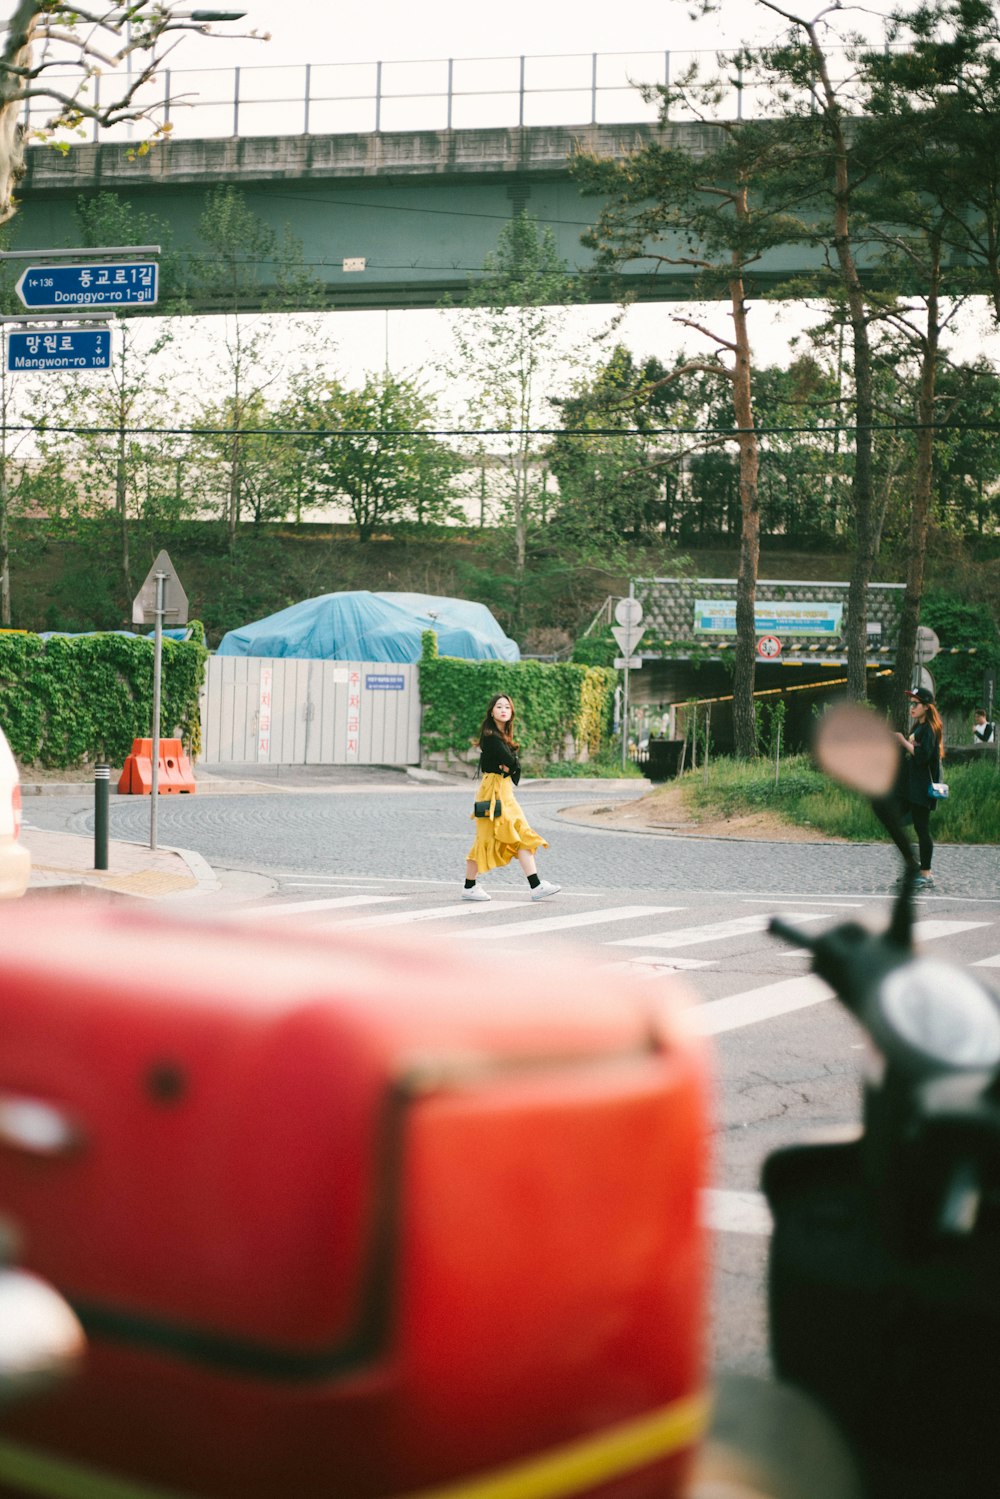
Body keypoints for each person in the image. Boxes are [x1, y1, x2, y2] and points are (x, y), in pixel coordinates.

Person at [462, 693, 560, 903]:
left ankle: (536, 885)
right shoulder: (491, 737)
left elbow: (511, 764)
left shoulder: (502, 737)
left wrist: (509, 764)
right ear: (491, 711)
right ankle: (470, 887)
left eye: (507, 706)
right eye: (499, 706)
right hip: (492, 792)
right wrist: (510, 763)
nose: (504, 710)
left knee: (522, 834)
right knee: (486, 838)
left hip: (504, 792)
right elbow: (510, 761)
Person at [894, 686, 945, 892]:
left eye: (915, 704)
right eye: (910, 704)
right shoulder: (918, 727)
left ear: (926, 706)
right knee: (893, 820)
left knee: (922, 830)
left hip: (923, 789)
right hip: (910, 788)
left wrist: (903, 742)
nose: (911, 707)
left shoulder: (930, 729)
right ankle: (913, 867)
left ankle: (925, 873)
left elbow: (923, 756)